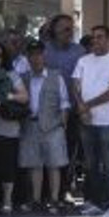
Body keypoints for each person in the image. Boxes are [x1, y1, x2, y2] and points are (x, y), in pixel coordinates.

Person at [71, 25, 109, 217]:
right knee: (91, 165)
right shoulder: (83, 61)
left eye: (100, 37)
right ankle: (95, 202)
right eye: (93, 38)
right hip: (87, 121)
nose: (96, 41)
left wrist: (87, 105)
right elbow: (75, 84)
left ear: (108, 39)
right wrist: (81, 106)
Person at [18, 40, 70, 212]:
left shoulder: (56, 77)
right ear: (28, 57)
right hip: (30, 124)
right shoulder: (23, 77)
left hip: (53, 126)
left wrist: (63, 124)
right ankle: (36, 199)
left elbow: (64, 103)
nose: (35, 58)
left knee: (54, 164)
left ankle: (54, 199)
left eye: (38, 54)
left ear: (44, 55)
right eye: (32, 54)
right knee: (34, 165)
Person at [44, 15, 87, 202]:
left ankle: (65, 189)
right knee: (48, 150)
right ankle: (47, 191)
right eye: (65, 29)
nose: (69, 33)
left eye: (72, 29)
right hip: (49, 109)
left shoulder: (80, 52)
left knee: (69, 150)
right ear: (54, 30)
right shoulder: (45, 51)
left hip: (73, 109)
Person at [0, 44, 27, 213]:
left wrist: (4, 95)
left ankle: (7, 201)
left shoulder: (11, 75)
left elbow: (24, 97)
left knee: (7, 165)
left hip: (8, 127)